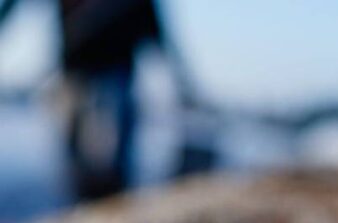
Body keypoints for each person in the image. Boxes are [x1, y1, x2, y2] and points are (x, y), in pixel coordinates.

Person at [0, 0, 196, 198]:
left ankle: (115, 202)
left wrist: (181, 82)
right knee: (76, 168)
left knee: (113, 162)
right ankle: (83, 205)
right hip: (72, 77)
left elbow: (156, 29)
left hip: (115, 76)